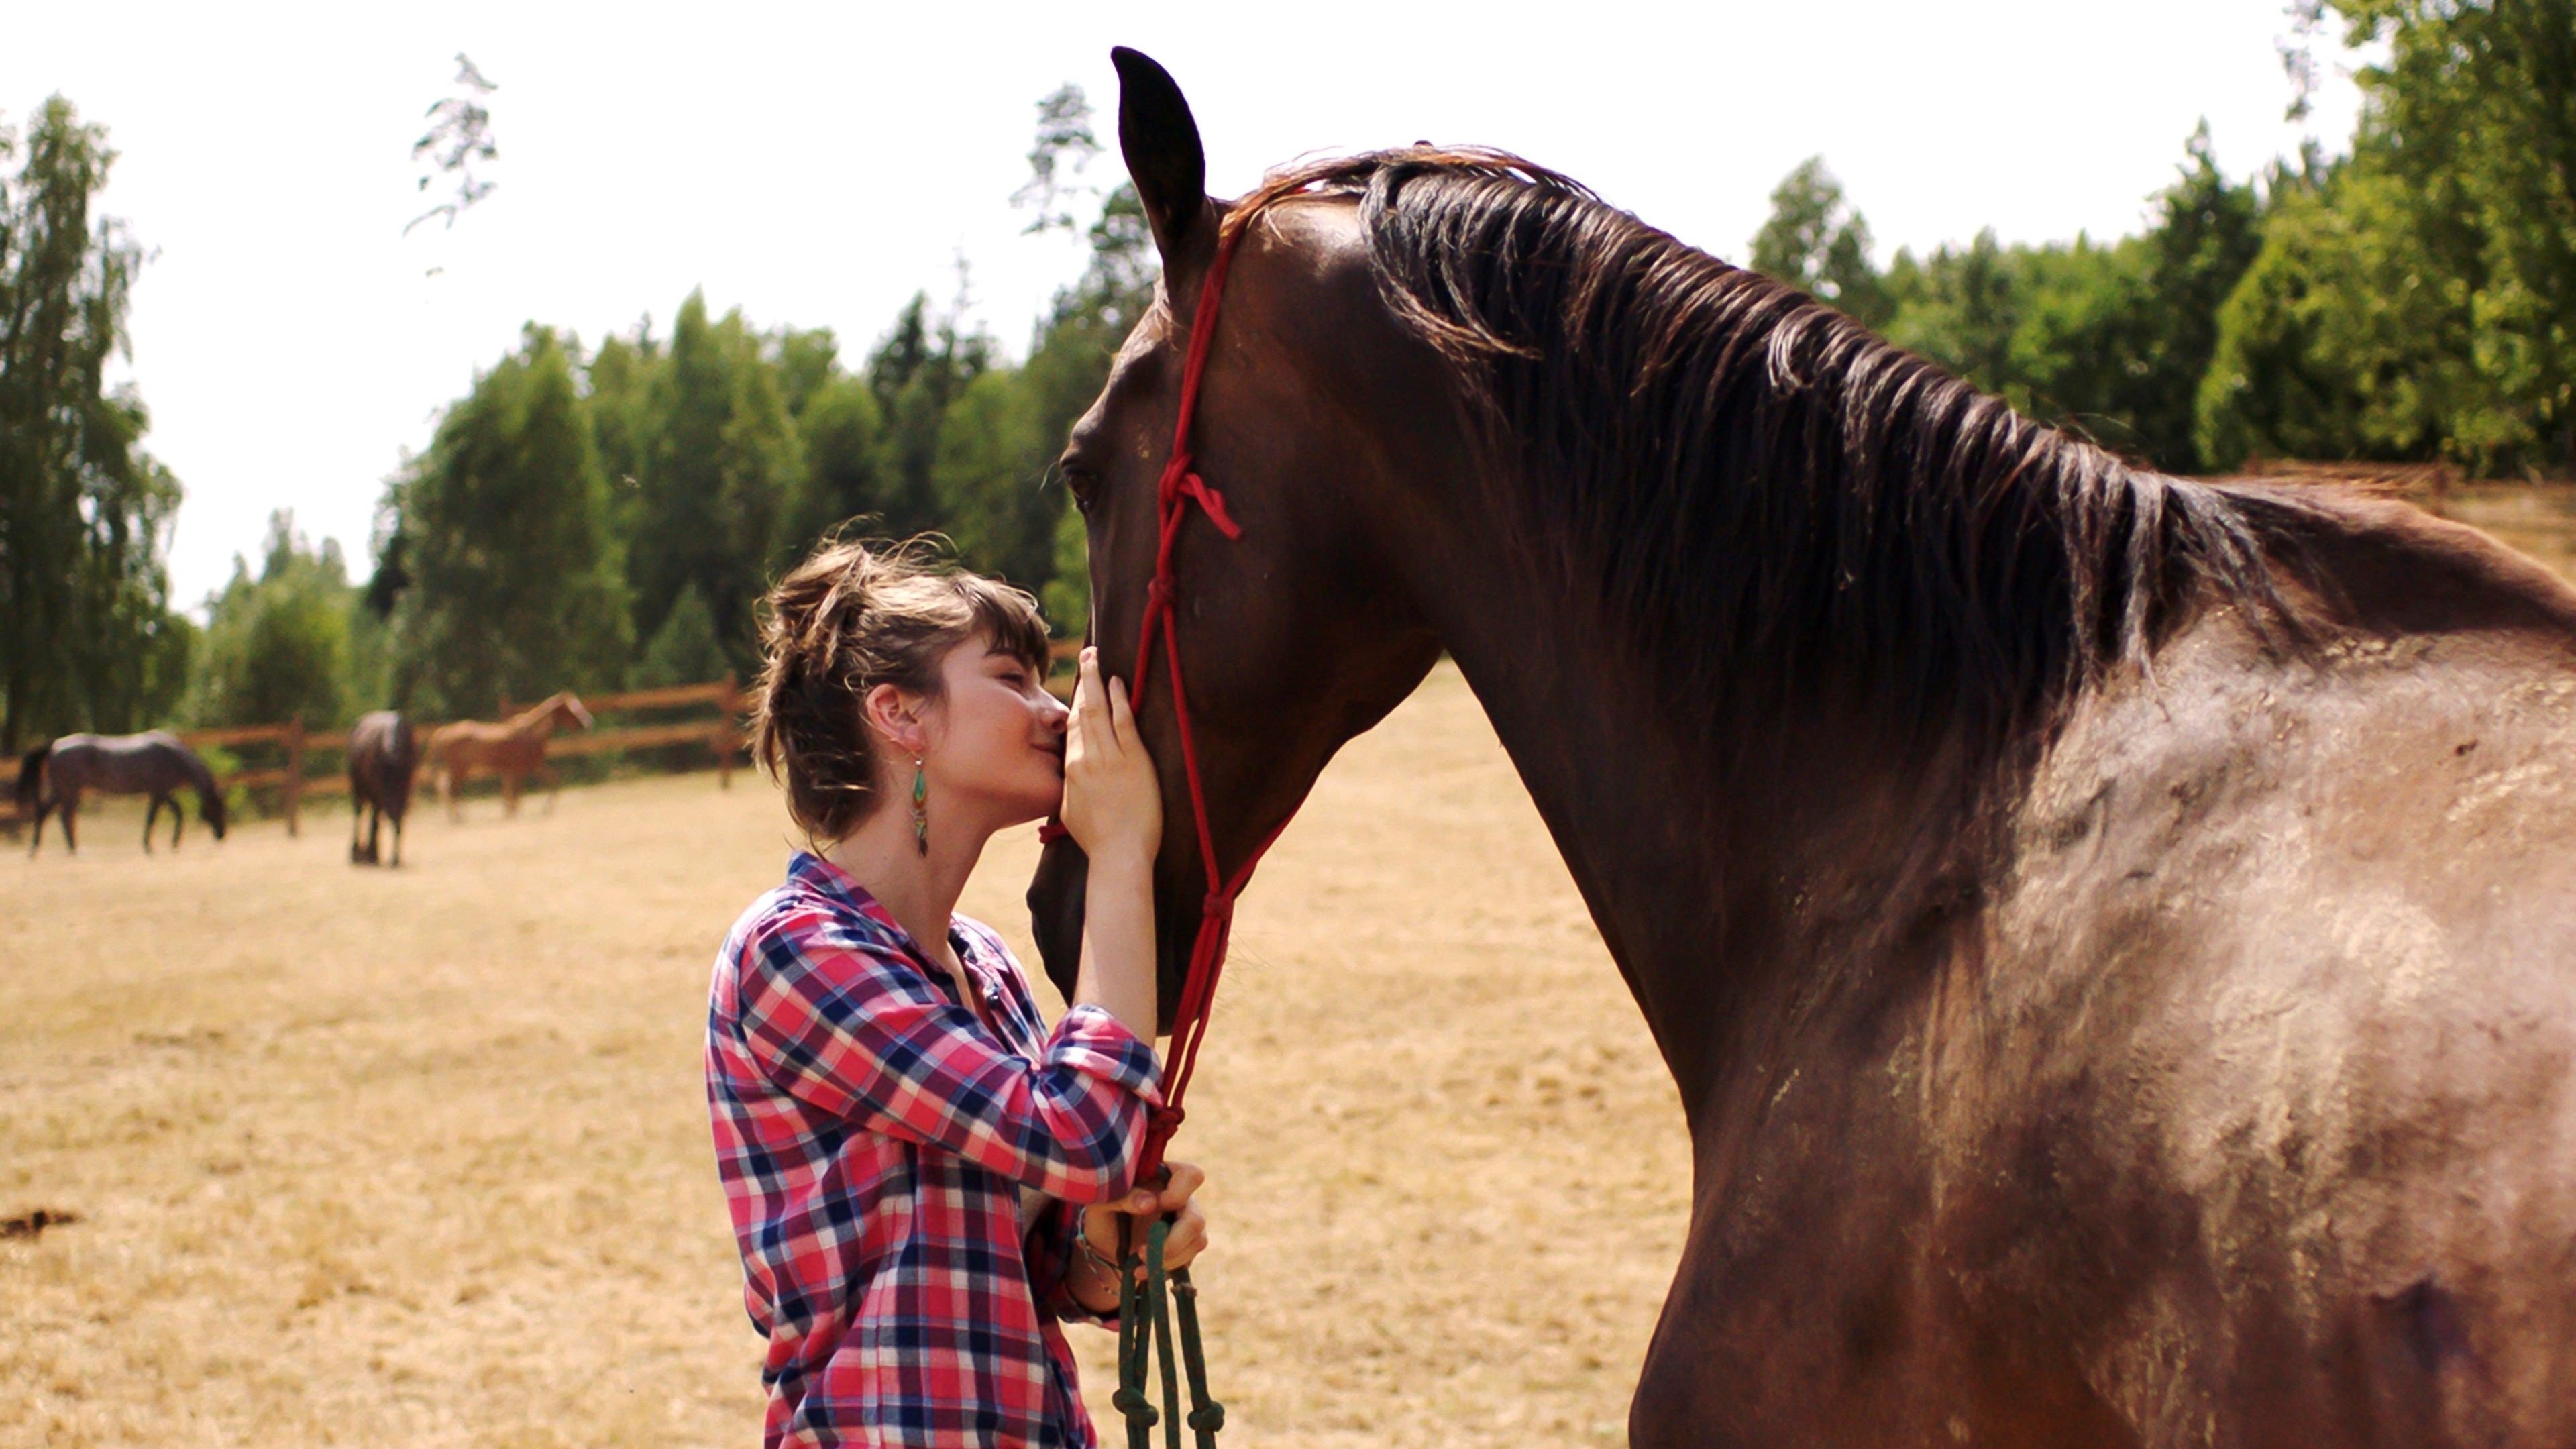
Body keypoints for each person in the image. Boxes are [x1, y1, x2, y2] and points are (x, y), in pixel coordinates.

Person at [707, 539, 1207, 1448]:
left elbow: (1031, 1266)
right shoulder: (794, 953)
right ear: (899, 714)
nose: (1055, 714)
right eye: (1014, 679)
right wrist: (1123, 853)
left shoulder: (984, 965)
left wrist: (1107, 1251)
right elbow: (1084, 1136)